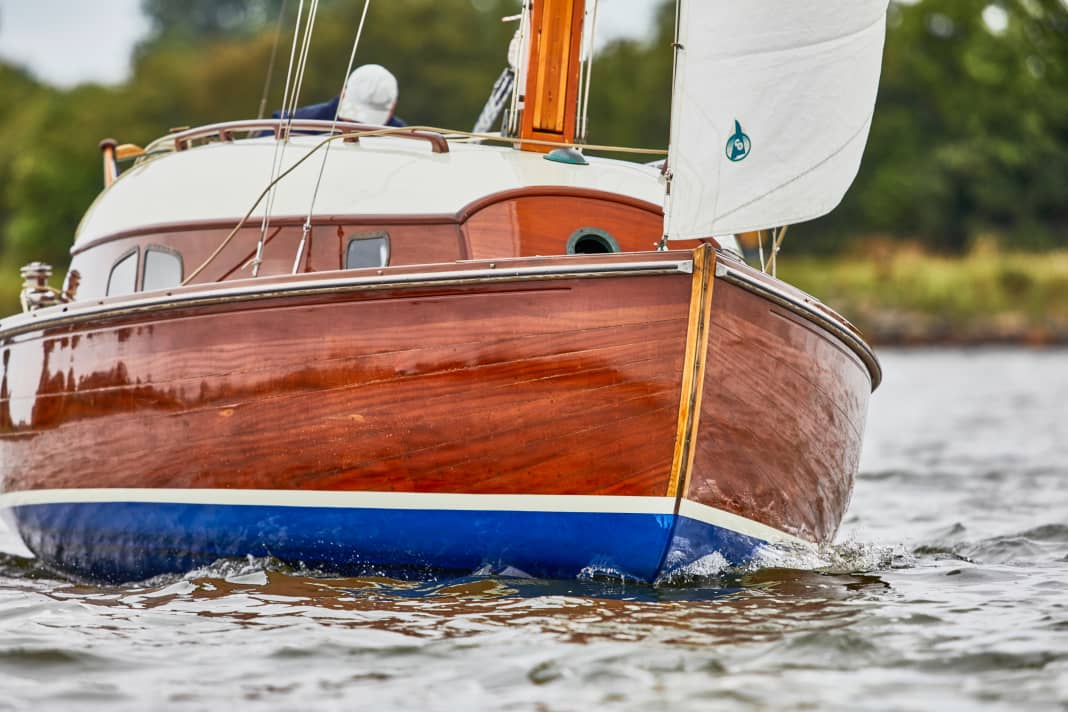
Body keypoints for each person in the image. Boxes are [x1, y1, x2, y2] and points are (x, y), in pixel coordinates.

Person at [274, 64, 406, 127]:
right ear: (343, 95)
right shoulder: (291, 125)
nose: (359, 129)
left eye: (368, 122)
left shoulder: (406, 140)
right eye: (354, 119)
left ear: (392, 108)